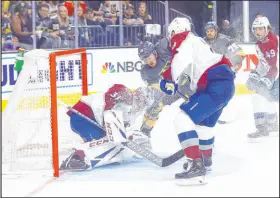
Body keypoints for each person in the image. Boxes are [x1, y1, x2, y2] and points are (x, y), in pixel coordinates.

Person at [160, 17, 235, 184]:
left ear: (173, 33)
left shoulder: (183, 47)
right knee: (203, 125)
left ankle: (196, 166)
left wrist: (168, 86)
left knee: (182, 119)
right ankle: (205, 160)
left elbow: (182, 82)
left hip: (214, 87)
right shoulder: (195, 41)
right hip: (223, 85)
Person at [60, 84, 150, 170]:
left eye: (144, 103)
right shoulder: (126, 94)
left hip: (91, 121)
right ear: (137, 96)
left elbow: (121, 127)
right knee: (101, 143)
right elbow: (112, 93)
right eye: (142, 100)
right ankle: (76, 158)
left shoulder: (132, 112)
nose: (141, 105)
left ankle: (85, 155)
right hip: (83, 116)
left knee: (108, 142)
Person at [246, 16, 279, 140]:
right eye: (256, 29)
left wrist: (269, 78)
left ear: (267, 28)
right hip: (273, 76)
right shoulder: (258, 45)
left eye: (260, 29)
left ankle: (268, 126)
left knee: (263, 97)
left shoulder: (276, 40)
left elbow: (277, 64)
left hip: (276, 77)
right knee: (263, 97)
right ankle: (271, 125)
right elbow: (263, 63)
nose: (258, 32)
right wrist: (255, 74)